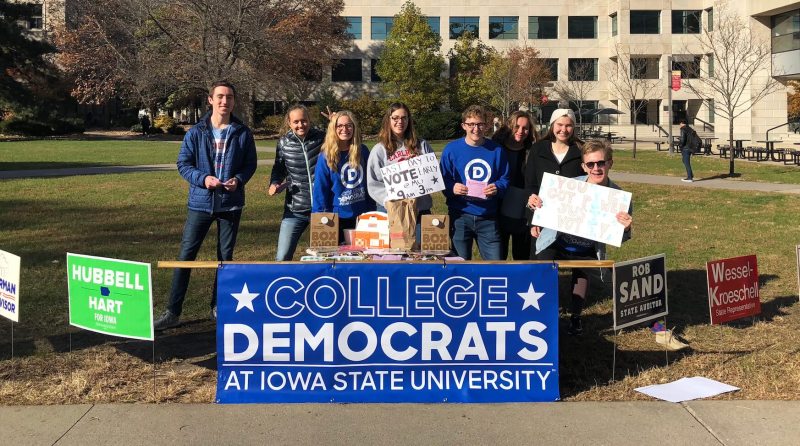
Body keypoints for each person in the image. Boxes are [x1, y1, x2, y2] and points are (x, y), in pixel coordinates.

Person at [154, 80, 258, 330]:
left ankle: (218, 307)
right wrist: (203, 179)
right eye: (220, 96)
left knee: (225, 259)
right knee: (185, 257)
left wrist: (238, 179)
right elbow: (183, 164)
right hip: (200, 204)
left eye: (229, 97)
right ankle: (172, 312)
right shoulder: (196, 132)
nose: (225, 101)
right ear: (210, 100)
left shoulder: (242, 132)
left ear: (234, 101)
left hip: (230, 205)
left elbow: (250, 164)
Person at [527, 139, 633, 335]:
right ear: (584, 166)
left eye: (600, 163)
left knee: (583, 273)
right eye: (590, 164)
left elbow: (620, 238)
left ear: (610, 163)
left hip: (587, 248)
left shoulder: (619, 197)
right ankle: (542, 315)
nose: (596, 168)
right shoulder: (569, 186)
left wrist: (626, 229)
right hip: (556, 242)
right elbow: (545, 207)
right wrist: (535, 206)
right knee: (542, 270)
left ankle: (575, 317)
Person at [440, 105, 510, 260]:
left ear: (486, 125)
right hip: (460, 215)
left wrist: (497, 187)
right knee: (460, 265)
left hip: (488, 216)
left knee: (494, 266)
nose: (476, 129)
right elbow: (442, 179)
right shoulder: (451, 150)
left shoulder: (497, 150)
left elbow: (505, 179)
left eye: (480, 124)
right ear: (463, 126)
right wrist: (452, 187)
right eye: (471, 124)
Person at [524, 108, 584, 259]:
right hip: (543, 217)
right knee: (542, 263)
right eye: (560, 125)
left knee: (576, 262)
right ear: (552, 125)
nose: (564, 129)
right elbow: (530, 184)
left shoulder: (581, 151)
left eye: (568, 125)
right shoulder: (538, 149)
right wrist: (533, 217)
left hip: (572, 219)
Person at [268, 105, 324, 260]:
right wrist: (274, 183)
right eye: (296, 122)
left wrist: (335, 122)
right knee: (282, 257)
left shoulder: (322, 138)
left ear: (309, 120)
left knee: (325, 258)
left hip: (322, 209)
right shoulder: (284, 143)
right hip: (295, 209)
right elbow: (278, 168)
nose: (301, 125)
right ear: (289, 123)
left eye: (304, 120)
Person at [312, 111, 375, 242]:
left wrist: (371, 212)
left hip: (362, 216)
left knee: (363, 253)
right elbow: (320, 190)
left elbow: (370, 184)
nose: (344, 129)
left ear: (354, 127)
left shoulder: (362, 151)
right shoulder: (325, 156)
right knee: (337, 253)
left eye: (348, 125)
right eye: (339, 126)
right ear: (333, 128)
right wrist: (319, 217)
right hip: (335, 218)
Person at [366, 102, 434, 216]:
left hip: (420, 209)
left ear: (408, 120)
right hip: (392, 211)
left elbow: (434, 175)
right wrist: (389, 200)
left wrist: (420, 165)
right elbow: (373, 183)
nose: (400, 122)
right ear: (389, 120)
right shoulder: (379, 149)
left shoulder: (422, 145)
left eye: (404, 118)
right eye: (395, 118)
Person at [492, 111, 538, 260]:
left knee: (522, 256)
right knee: (499, 257)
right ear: (509, 126)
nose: (520, 131)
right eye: (516, 126)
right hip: (498, 209)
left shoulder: (533, 150)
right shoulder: (495, 148)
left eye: (525, 128)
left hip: (523, 209)